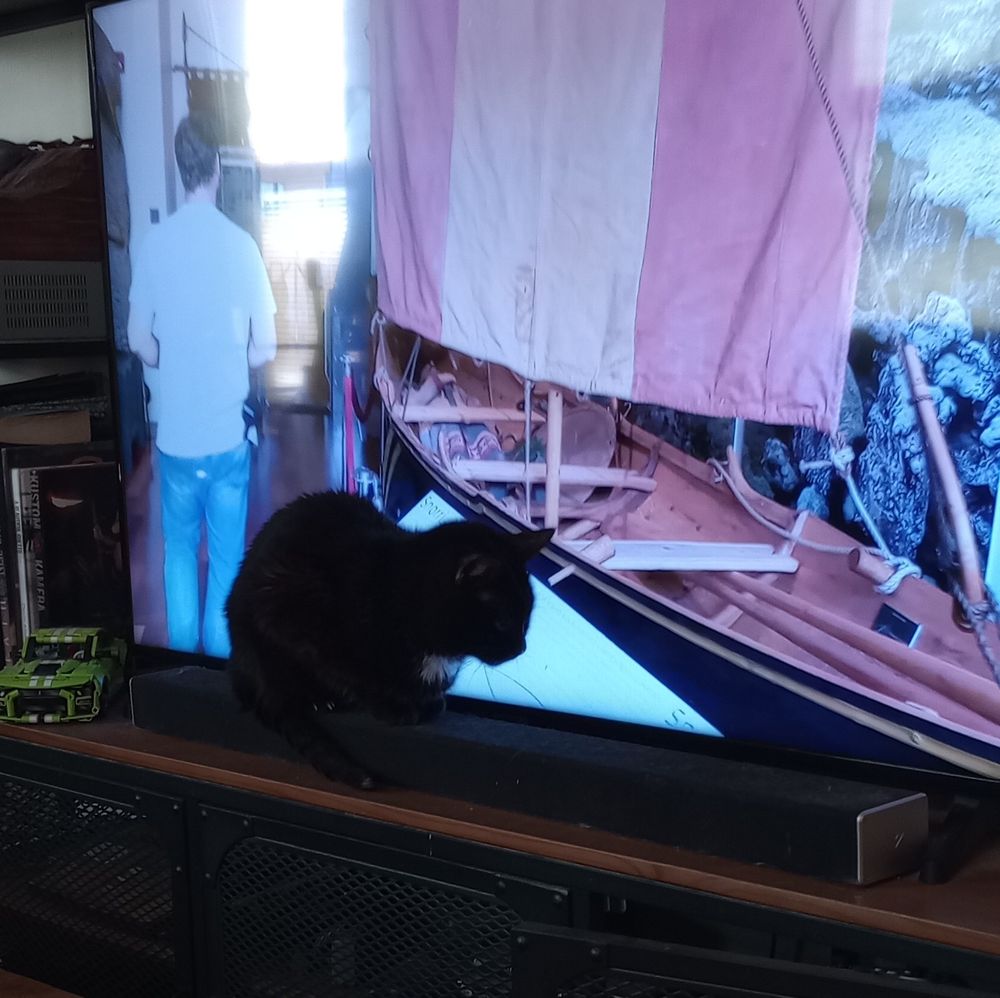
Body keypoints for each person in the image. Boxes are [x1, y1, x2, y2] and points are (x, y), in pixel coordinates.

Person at [128, 112, 277, 658]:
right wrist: (229, 352)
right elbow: (266, 347)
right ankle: (217, 672)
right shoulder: (241, 247)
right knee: (228, 557)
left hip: (175, 440)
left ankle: (181, 670)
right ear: (215, 167)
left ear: (180, 166)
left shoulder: (154, 245)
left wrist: (170, 355)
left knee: (177, 554)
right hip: (225, 440)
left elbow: (138, 338)